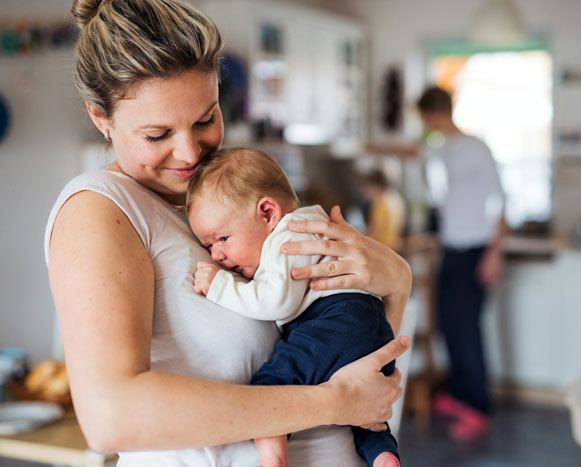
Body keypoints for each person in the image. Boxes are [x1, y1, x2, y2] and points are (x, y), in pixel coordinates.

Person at [45, 1, 411, 466]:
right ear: (101, 117)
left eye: (205, 120)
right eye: (158, 134)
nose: (189, 153)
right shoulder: (100, 211)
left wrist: (397, 283)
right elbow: (109, 418)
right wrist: (334, 403)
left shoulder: (225, 199)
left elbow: (355, 367)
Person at [185, 148, 400, 467]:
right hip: (367, 325)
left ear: (268, 213)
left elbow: (276, 301)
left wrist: (220, 285)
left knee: (271, 388)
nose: (216, 254)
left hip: (334, 319)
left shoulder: (290, 236)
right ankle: (383, 455)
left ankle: (273, 457)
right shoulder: (311, 221)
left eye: (223, 238)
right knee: (365, 415)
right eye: (208, 246)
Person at [417, 86, 506, 441]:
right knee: (449, 327)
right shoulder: (441, 148)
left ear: (434, 114)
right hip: (451, 250)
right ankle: (457, 395)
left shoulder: (476, 148)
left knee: (467, 329)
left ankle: (478, 407)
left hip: (476, 251)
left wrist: (495, 253)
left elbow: (500, 200)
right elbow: (413, 152)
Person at [360, 169, 406, 252]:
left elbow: (374, 231)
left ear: (374, 186)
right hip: (395, 246)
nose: (366, 191)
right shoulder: (395, 197)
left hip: (381, 248)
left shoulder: (380, 203)